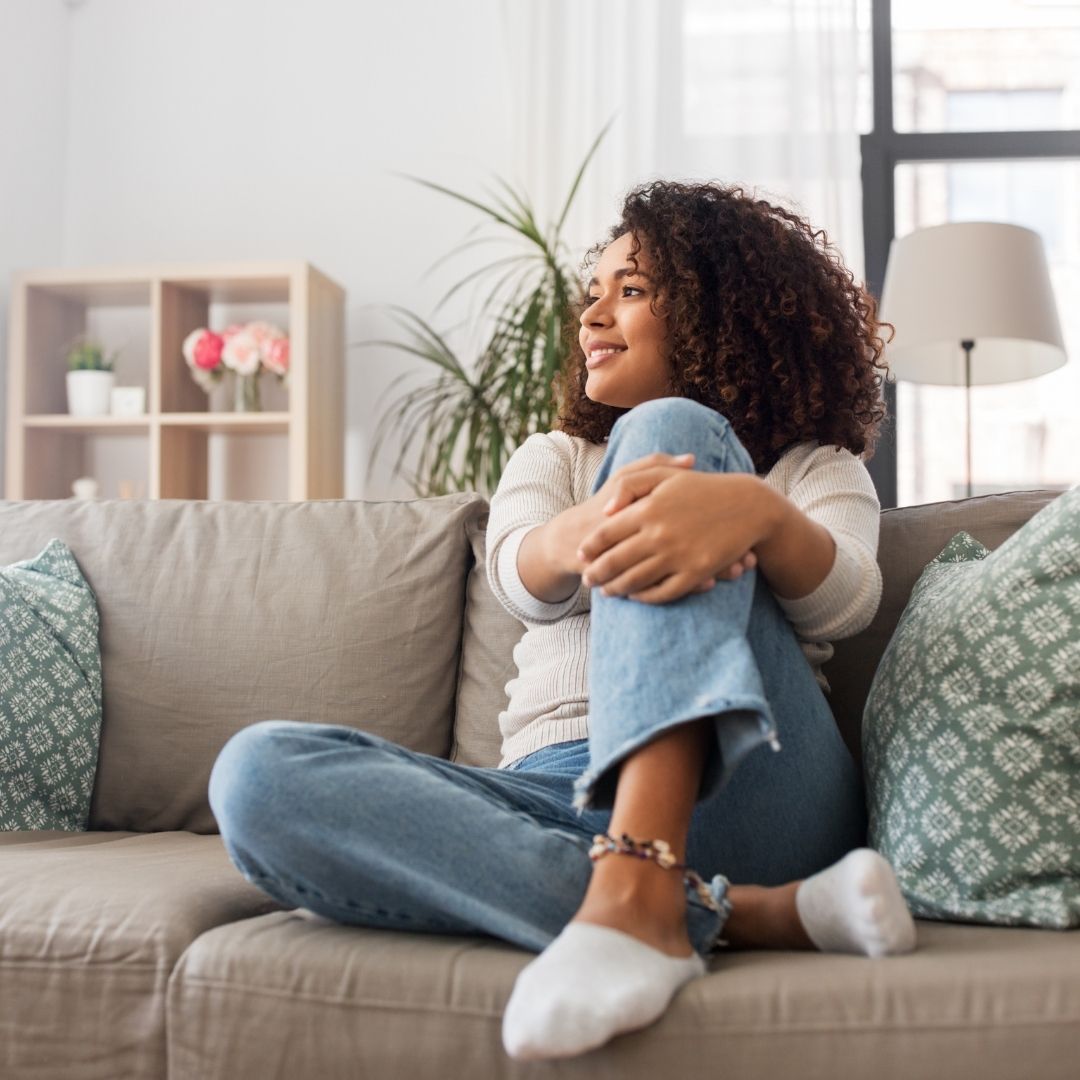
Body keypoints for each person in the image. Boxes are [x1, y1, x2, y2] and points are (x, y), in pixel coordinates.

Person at [208, 179, 917, 1064]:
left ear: (723, 312)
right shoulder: (554, 457)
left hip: (753, 783)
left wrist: (753, 514)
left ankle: (643, 883)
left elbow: (846, 599)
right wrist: (592, 524)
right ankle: (720, 911)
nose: (592, 317)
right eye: (594, 293)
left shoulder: (818, 467)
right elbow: (518, 576)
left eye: (632, 290)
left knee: (672, 430)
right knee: (258, 777)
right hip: (558, 794)